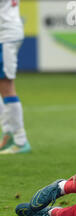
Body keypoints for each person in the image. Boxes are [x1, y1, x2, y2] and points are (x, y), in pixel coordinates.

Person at [0, 0, 31, 154]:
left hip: (5, 36)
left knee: (6, 87)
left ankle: (20, 140)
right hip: (7, 32)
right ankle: (8, 133)